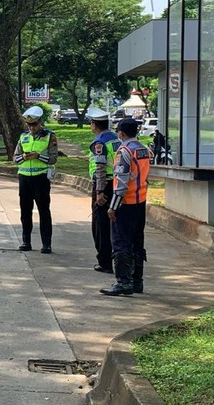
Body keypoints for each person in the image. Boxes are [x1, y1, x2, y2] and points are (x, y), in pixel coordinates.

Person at [100, 117, 151, 296]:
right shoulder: (144, 149)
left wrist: (112, 207)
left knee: (121, 242)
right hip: (140, 201)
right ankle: (137, 281)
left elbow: (121, 181)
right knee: (137, 241)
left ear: (121, 133)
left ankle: (123, 282)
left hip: (126, 203)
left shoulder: (124, 151)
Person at [14, 105, 58, 253]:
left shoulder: (49, 136)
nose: (32, 128)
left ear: (40, 122)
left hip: (41, 179)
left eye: (34, 124)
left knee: (44, 211)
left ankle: (46, 244)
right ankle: (26, 241)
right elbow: (15, 158)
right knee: (25, 211)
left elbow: (53, 159)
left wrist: (39, 156)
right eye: (29, 125)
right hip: (24, 178)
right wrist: (24, 157)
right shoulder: (23, 136)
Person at [87, 107, 121, 274]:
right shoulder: (116, 139)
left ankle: (104, 261)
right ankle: (115, 259)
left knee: (100, 225)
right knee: (113, 223)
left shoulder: (99, 142)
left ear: (94, 125)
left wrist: (99, 192)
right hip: (116, 184)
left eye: (91, 123)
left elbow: (100, 168)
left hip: (104, 184)